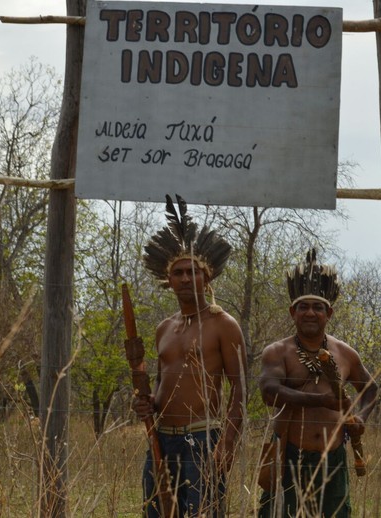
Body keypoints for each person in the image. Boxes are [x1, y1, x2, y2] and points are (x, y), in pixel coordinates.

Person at [132, 194, 247, 517]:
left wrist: (227, 443)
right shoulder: (164, 328)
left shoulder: (223, 324)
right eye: (179, 273)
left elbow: (240, 389)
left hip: (202, 439)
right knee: (158, 512)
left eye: (193, 272)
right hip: (161, 439)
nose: (185, 278)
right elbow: (160, 385)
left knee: (203, 512)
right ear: (168, 281)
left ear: (206, 277)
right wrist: (146, 403)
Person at [258, 249, 379, 517]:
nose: (310, 313)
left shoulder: (346, 354)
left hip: (332, 458)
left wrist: (361, 417)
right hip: (287, 454)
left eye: (318, 307)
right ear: (293, 312)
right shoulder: (277, 351)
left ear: (329, 313)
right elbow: (270, 392)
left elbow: (371, 390)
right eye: (303, 307)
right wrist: (320, 400)